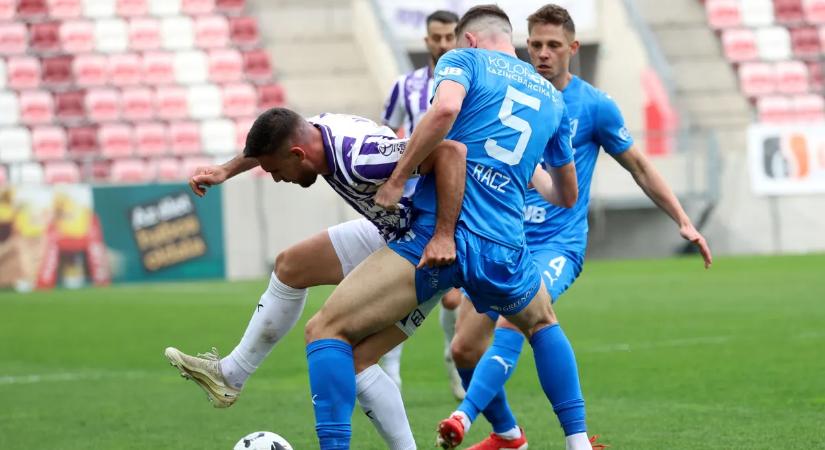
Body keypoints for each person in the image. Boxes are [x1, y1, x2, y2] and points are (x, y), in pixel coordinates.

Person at [302, 5, 593, 449]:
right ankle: (576, 443)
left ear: (470, 40)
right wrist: (520, 172)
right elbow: (566, 196)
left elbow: (444, 112)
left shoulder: (464, 61)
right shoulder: (552, 98)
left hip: (439, 237)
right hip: (504, 246)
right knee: (541, 323)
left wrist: (398, 178)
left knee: (326, 330)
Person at [448, 5, 714, 450]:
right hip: (505, 241)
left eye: (554, 45)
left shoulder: (593, 106)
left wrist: (683, 220)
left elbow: (640, 167)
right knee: (463, 350)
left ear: (573, 48)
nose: (543, 54)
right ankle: (509, 435)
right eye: (535, 45)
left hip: (558, 245)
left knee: (521, 319)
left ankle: (466, 416)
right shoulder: (506, 92)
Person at [164, 108, 467, 450]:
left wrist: (443, 234)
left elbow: (449, 151)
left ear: (297, 154)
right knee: (292, 266)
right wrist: (226, 170)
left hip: (423, 245)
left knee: (345, 352)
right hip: (392, 230)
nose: (277, 179)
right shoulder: (312, 129)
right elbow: (276, 134)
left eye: (275, 171)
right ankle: (230, 376)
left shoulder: (361, 158)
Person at [380, 9, 465, 399]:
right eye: (437, 37)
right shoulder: (406, 86)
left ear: (459, 38)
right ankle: (391, 372)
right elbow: (384, 133)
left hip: (451, 197)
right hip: (410, 203)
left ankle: (452, 357)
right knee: (399, 287)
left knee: (450, 295)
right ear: (426, 40)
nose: (443, 44)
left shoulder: (467, 81)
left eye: (450, 36)